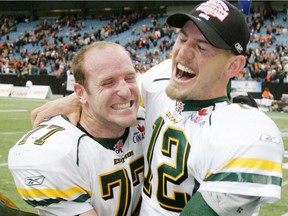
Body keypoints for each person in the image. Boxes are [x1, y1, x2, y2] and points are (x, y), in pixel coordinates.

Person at [30, 0, 284, 215]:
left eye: (202, 47)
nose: (182, 53)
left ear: (233, 66)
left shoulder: (241, 131)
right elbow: (123, 94)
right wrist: (78, 99)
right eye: (182, 39)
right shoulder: (158, 81)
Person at [8, 41, 145, 216]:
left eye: (129, 77)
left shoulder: (147, 117)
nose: (125, 91)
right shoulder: (54, 152)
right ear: (80, 92)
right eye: (108, 82)